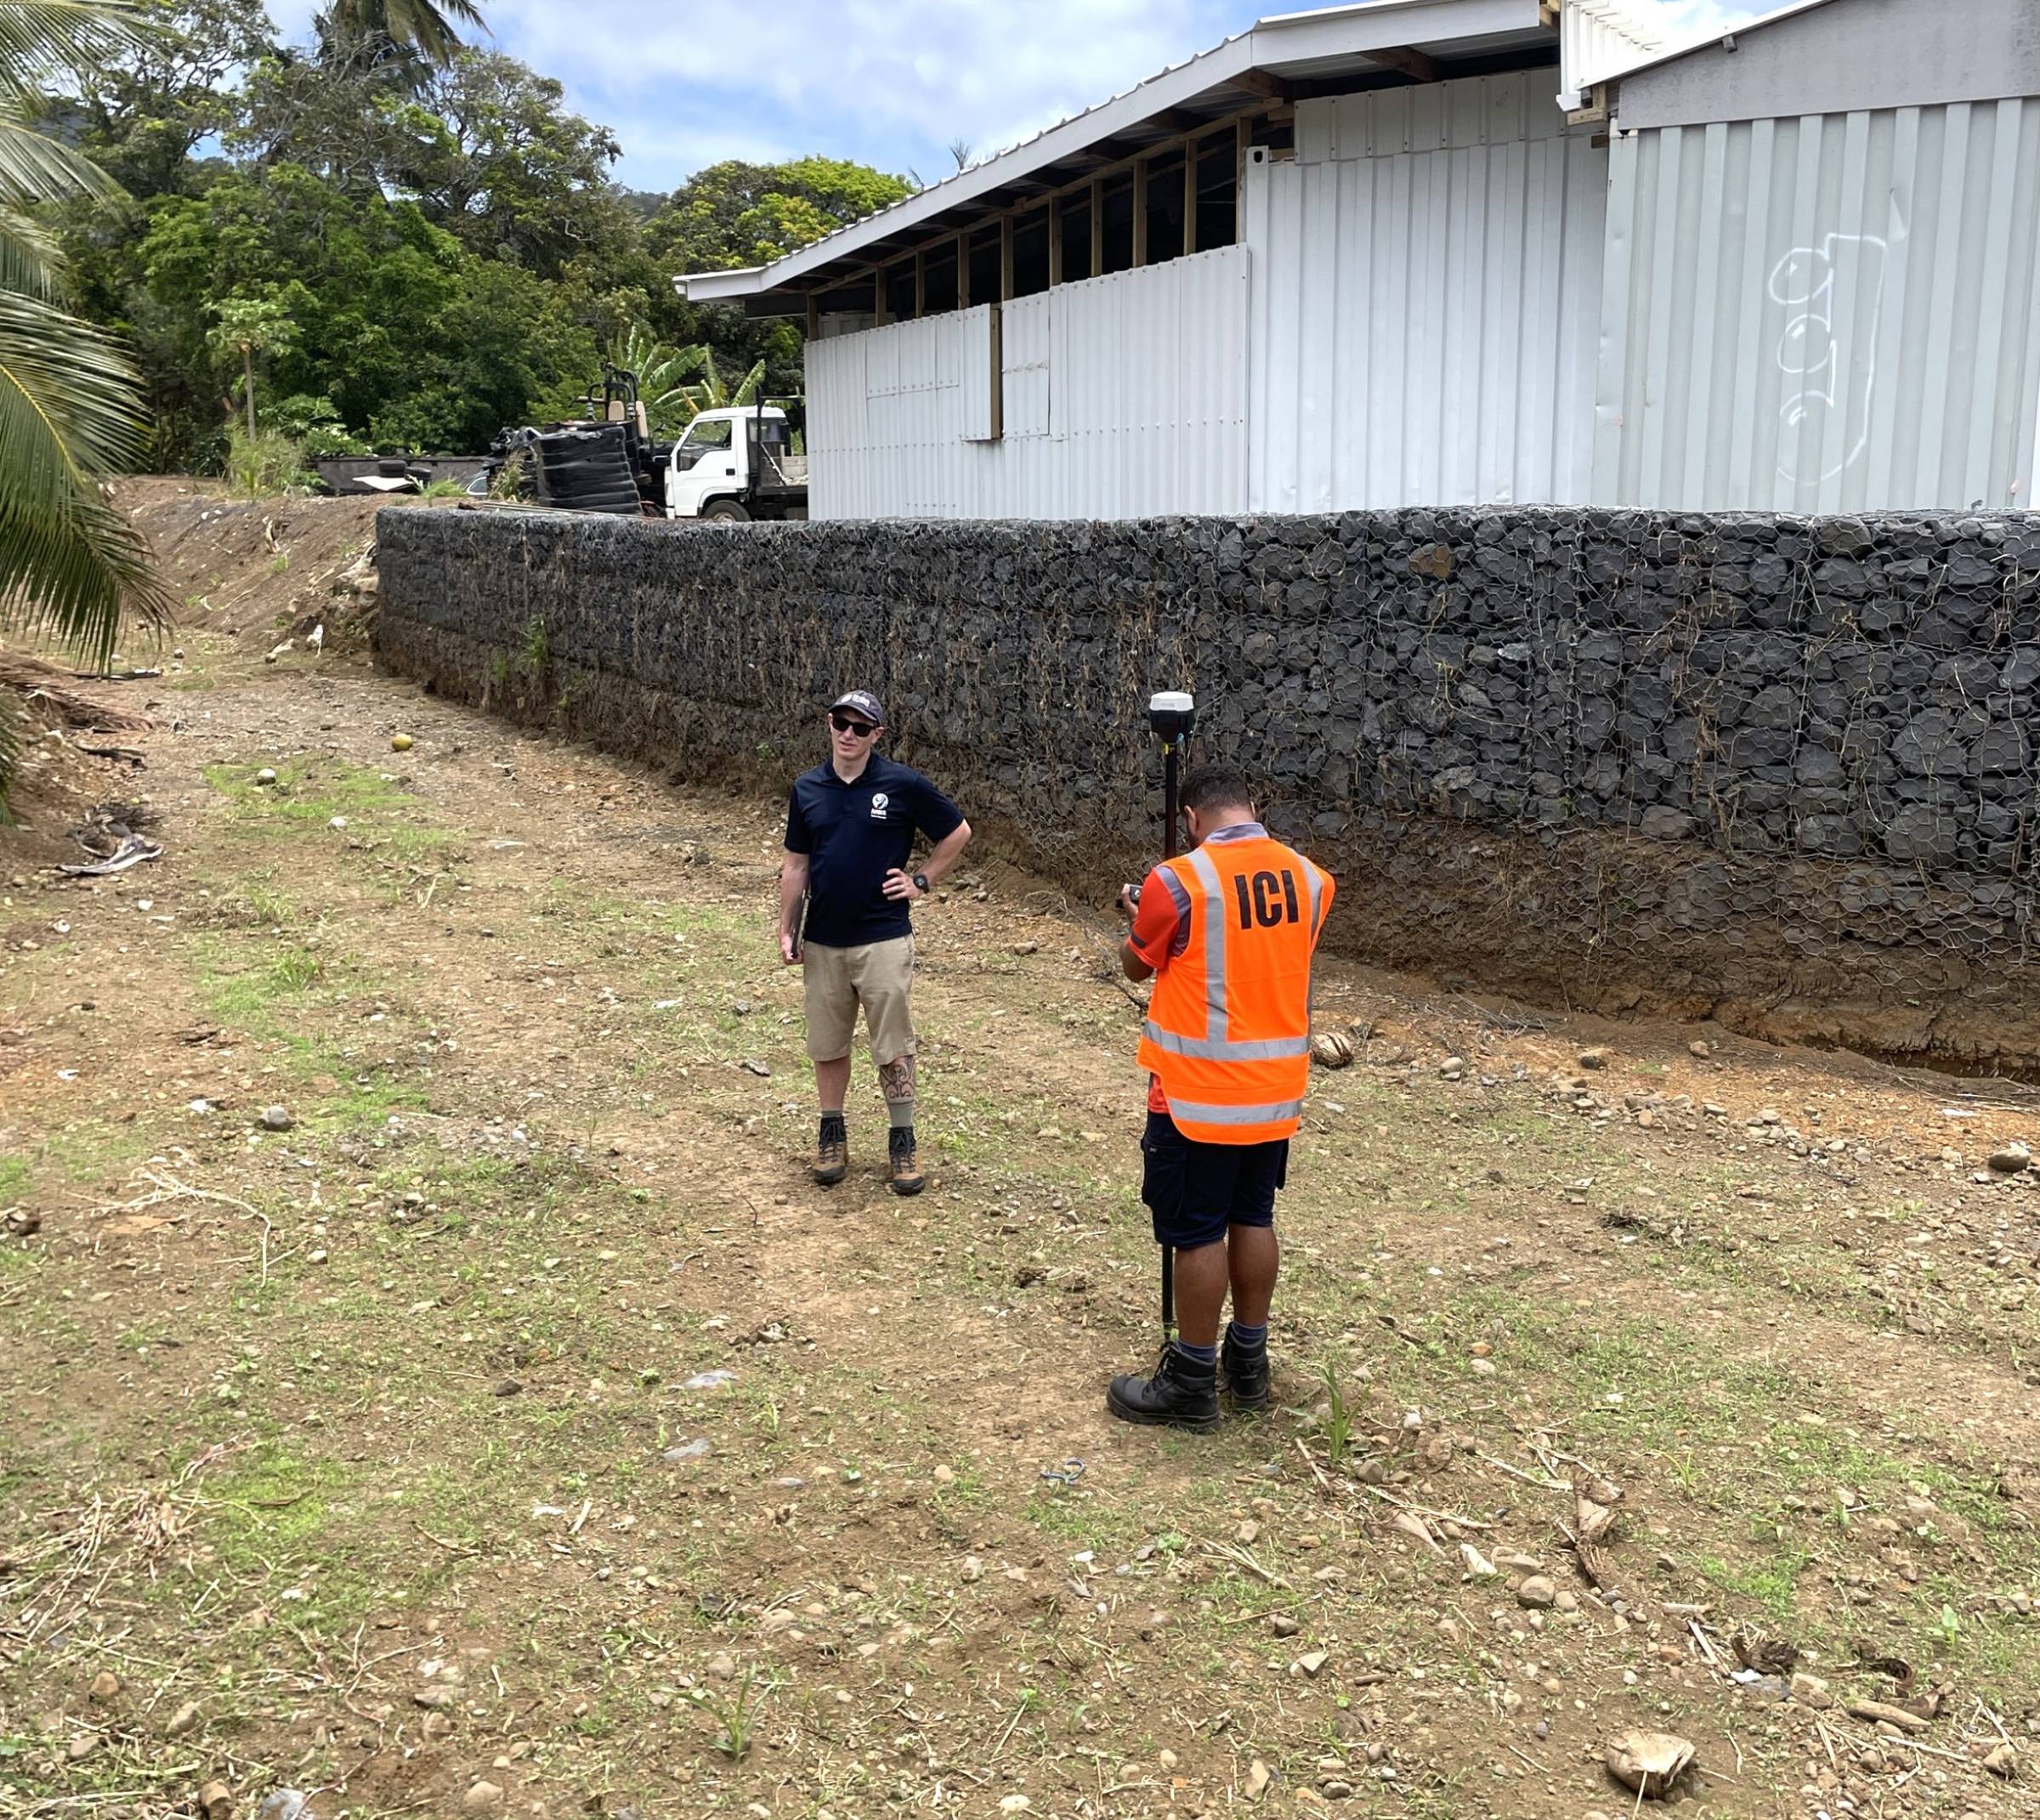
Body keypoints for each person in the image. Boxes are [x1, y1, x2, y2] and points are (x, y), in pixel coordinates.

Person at [1108, 764, 1334, 1430]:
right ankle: (1249, 1364)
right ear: (1251, 806)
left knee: (1196, 1229)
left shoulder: (1174, 881)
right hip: (1274, 1091)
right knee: (1253, 1215)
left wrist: (1137, 914)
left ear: (1192, 820)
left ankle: (1193, 1381)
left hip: (1196, 1093)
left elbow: (1137, 963)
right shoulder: (1312, 880)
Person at [779, 690, 972, 1195]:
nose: (849, 734)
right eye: (841, 724)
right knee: (827, 1043)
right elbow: (797, 865)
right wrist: (786, 926)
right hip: (822, 939)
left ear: (876, 736)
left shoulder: (901, 784)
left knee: (892, 1044)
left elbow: (958, 832)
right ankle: (831, 1132)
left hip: (883, 937)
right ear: (829, 725)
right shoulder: (807, 789)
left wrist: (922, 880)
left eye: (860, 728)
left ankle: (902, 1140)